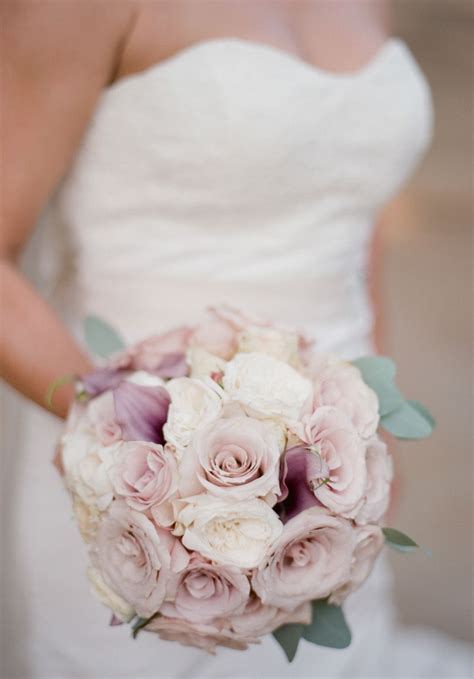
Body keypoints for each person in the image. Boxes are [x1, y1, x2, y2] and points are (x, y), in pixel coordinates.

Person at [1, 1, 472, 677]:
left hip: (328, 501)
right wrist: (146, 462)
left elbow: (349, 207)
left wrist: (368, 427)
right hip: (138, 508)